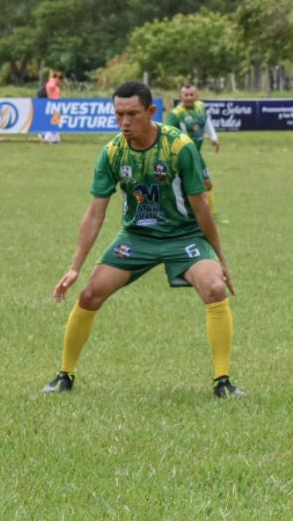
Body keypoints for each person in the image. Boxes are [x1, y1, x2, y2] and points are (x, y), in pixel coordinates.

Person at [41, 81, 243, 399]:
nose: (125, 122)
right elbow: (95, 214)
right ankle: (64, 375)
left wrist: (220, 259)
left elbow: (201, 206)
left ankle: (223, 382)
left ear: (151, 111)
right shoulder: (111, 153)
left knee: (215, 288)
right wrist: (75, 267)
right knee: (91, 294)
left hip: (183, 235)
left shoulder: (179, 147)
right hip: (136, 237)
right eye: (119, 114)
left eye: (133, 114)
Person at [165, 83, 220, 217]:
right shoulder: (176, 114)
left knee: (207, 184)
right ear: (180, 96)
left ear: (197, 95)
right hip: (182, 155)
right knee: (187, 187)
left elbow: (207, 122)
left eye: (191, 94)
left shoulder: (201, 107)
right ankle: (181, 214)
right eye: (186, 95)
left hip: (196, 154)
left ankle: (210, 215)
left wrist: (214, 137)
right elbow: (166, 135)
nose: (189, 97)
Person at [40, 73, 62, 144]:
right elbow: (50, 86)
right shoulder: (52, 82)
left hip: (55, 103)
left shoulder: (54, 84)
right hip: (53, 103)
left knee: (56, 120)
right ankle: (47, 137)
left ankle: (54, 137)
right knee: (53, 121)